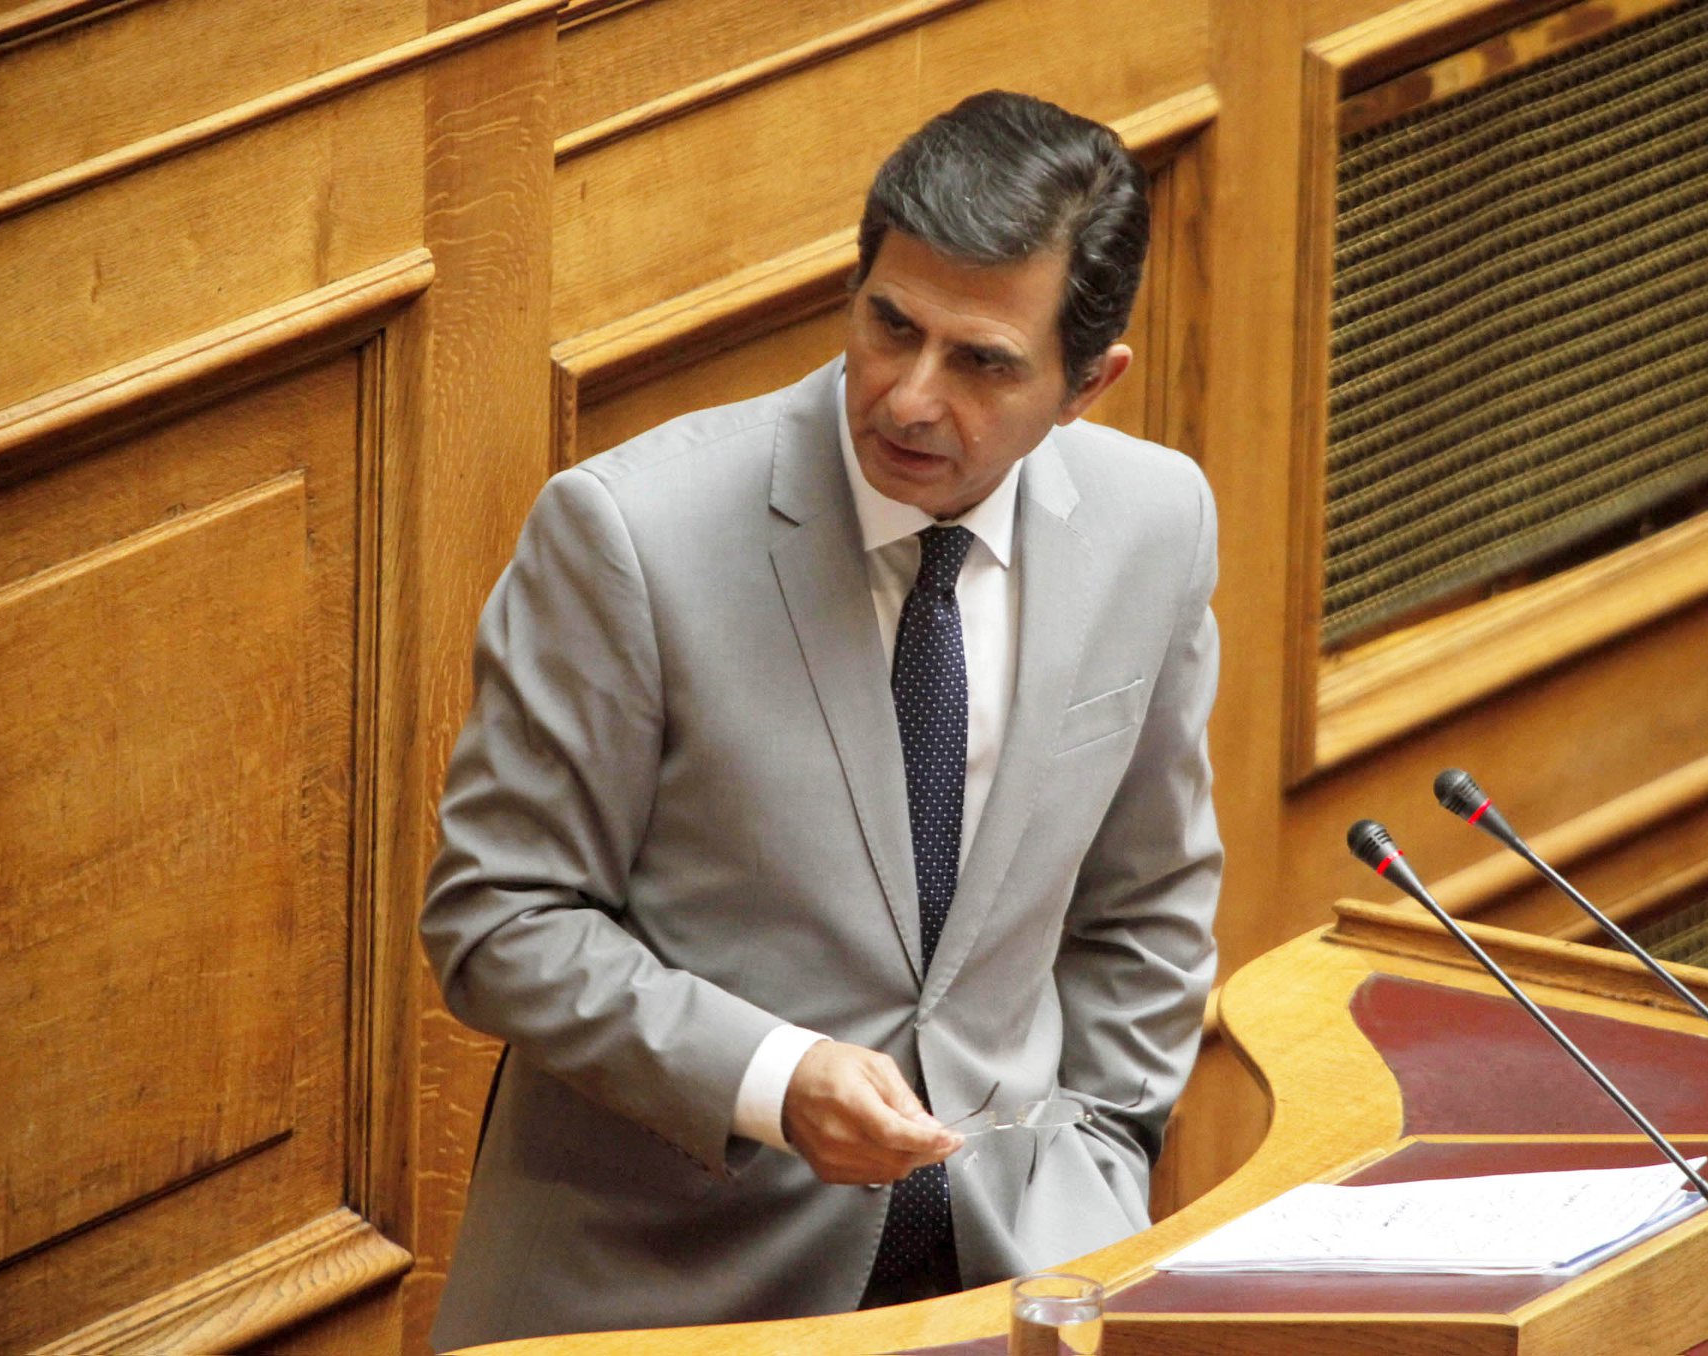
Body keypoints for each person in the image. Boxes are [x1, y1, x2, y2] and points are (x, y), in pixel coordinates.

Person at [421, 89, 1223, 1348]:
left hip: (1010, 1271)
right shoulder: (631, 536)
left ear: (1087, 384)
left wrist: (1104, 1154)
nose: (909, 399)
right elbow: (497, 918)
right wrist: (770, 1079)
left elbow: (1148, 901)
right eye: (890, 326)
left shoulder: (1154, 523)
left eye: (982, 362)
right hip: (669, 1296)